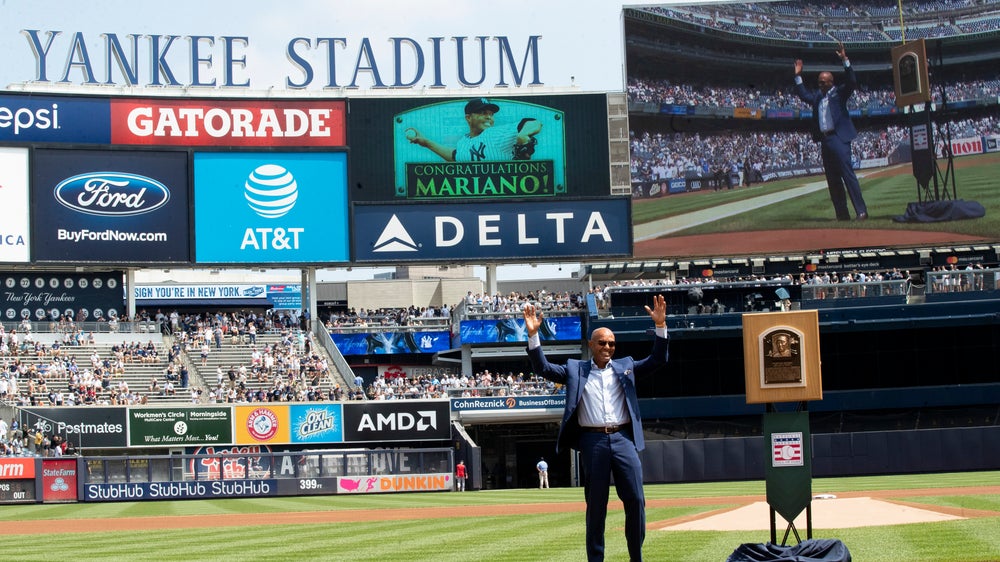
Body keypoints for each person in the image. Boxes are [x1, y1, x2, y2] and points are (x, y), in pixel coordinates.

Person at [523, 294, 669, 562]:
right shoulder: (574, 369)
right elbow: (542, 367)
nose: (608, 347)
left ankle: (636, 557)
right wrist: (534, 336)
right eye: (602, 342)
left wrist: (660, 327)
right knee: (596, 508)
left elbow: (657, 361)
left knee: (636, 500)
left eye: (612, 343)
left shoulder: (626, 367)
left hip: (623, 438)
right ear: (591, 345)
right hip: (593, 442)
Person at [794, 42, 868, 221]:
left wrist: (845, 61)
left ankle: (861, 211)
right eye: (818, 82)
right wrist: (798, 76)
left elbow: (851, 82)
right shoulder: (818, 97)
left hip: (839, 138)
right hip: (825, 140)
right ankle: (842, 215)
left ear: (830, 82)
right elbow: (804, 95)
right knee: (833, 180)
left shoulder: (839, 93)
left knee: (847, 176)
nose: (819, 84)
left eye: (822, 82)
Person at [405, 98, 542, 162]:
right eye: (483, 113)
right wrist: (427, 142)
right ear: (468, 118)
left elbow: (534, 123)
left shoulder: (495, 134)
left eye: (491, 114)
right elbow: (454, 156)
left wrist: (523, 135)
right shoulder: (464, 142)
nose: (489, 117)